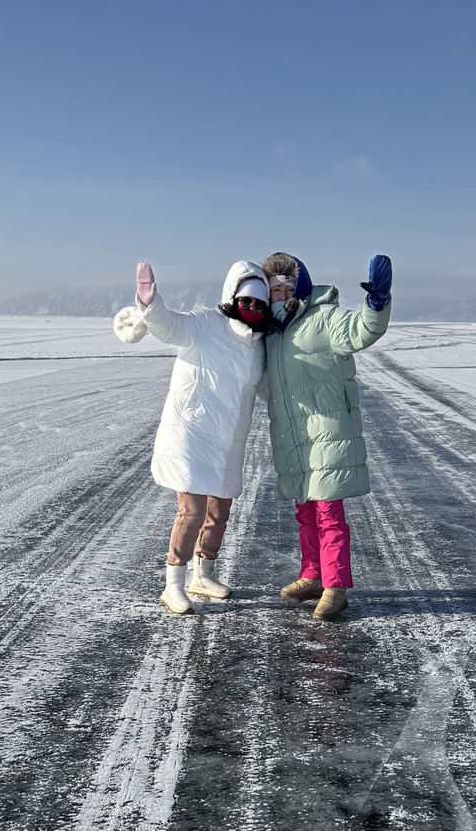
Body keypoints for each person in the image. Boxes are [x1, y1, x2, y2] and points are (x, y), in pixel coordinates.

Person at [114, 260, 269, 614]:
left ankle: (204, 574)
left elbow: (265, 387)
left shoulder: (258, 344)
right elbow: (169, 326)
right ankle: (173, 585)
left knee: (219, 512)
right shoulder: (205, 324)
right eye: (246, 300)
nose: (252, 307)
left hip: (228, 438)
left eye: (259, 303)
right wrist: (149, 303)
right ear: (233, 297)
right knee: (192, 512)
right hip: (191, 432)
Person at [261, 251, 392, 620]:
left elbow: (362, 330)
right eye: (275, 289)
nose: (282, 295)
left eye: (289, 287)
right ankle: (313, 575)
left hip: (329, 430)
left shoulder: (324, 317)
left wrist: (377, 303)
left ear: (300, 286)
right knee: (305, 509)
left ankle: (336, 587)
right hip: (294, 433)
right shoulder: (271, 332)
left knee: (328, 511)